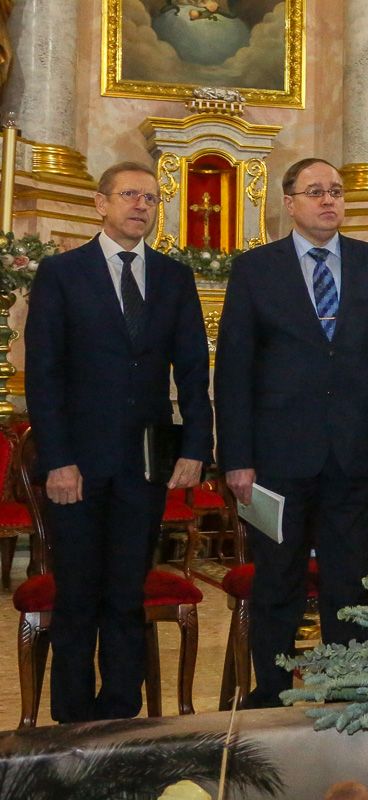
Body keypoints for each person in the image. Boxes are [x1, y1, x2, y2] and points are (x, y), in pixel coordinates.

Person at [215, 157, 368, 708]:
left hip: (354, 455)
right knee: (277, 583)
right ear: (290, 202)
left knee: (347, 584)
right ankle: (272, 692)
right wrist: (236, 457)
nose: (328, 200)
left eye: (335, 190)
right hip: (275, 460)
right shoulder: (256, 269)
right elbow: (232, 372)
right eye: (315, 191)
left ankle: (347, 692)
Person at [25, 161, 213, 722]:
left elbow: (193, 369)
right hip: (76, 465)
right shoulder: (62, 273)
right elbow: (45, 375)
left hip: (145, 464)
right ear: (100, 204)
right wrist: (58, 459)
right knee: (79, 596)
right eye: (131, 195)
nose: (142, 206)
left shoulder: (174, 278)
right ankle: (73, 718)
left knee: (127, 593)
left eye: (152, 199)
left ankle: (122, 717)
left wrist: (196, 446)